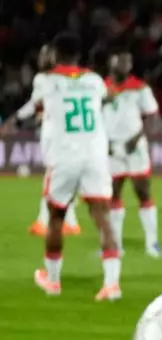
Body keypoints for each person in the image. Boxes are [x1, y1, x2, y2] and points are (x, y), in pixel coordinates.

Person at [27, 33, 122, 300]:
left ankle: (53, 282)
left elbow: (38, 105)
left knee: (56, 218)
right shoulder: (94, 80)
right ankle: (111, 285)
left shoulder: (46, 80)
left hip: (65, 157)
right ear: (79, 55)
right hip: (95, 156)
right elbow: (110, 96)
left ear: (56, 54)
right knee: (103, 217)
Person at [17, 45, 82, 238]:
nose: (43, 57)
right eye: (42, 54)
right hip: (65, 133)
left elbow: (34, 104)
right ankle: (70, 222)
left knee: (53, 176)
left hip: (56, 134)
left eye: (48, 54)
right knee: (63, 177)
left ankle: (43, 221)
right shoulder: (64, 79)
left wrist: (17, 118)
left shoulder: (45, 79)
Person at [104, 51, 162, 258]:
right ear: (111, 65)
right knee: (113, 194)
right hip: (111, 148)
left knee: (143, 191)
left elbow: (152, 117)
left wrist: (136, 138)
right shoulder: (101, 88)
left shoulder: (139, 88)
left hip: (134, 147)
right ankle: (116, 245)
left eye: (127, 64)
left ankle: (152, 242)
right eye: (120, 63)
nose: (124, 67)